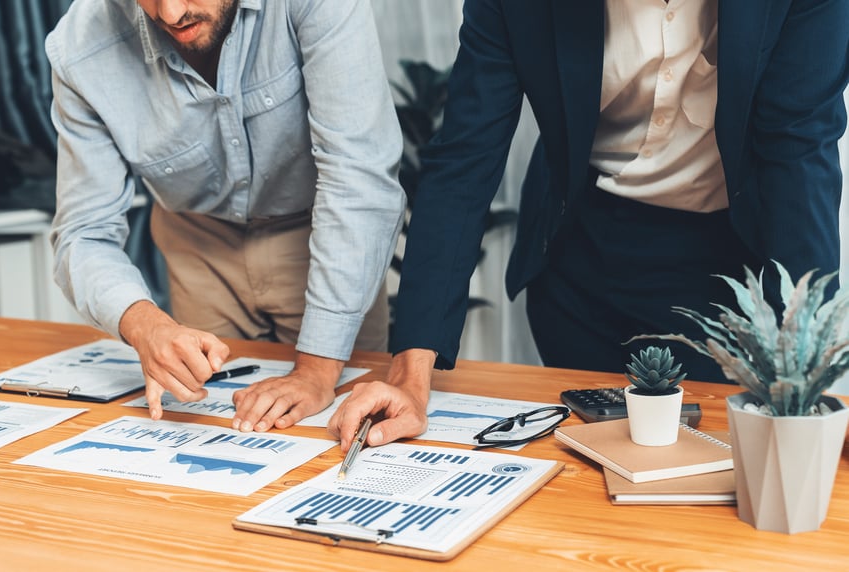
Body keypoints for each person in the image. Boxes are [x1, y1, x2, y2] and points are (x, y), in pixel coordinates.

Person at [329, 0, 849, 449]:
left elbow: (799, 155)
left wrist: (808, 378)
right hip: (580, 262)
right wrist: (410, 377)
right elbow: (465, 159)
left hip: (726, 273)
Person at [46, 0, 405, 431]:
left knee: (341, 432)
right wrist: (146, 326)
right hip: (197, 250)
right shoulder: (79, 48)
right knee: (214, 431)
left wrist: (316, 371)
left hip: (323, 241)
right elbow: (83, 231)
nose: (172, 12)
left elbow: (358, 176)